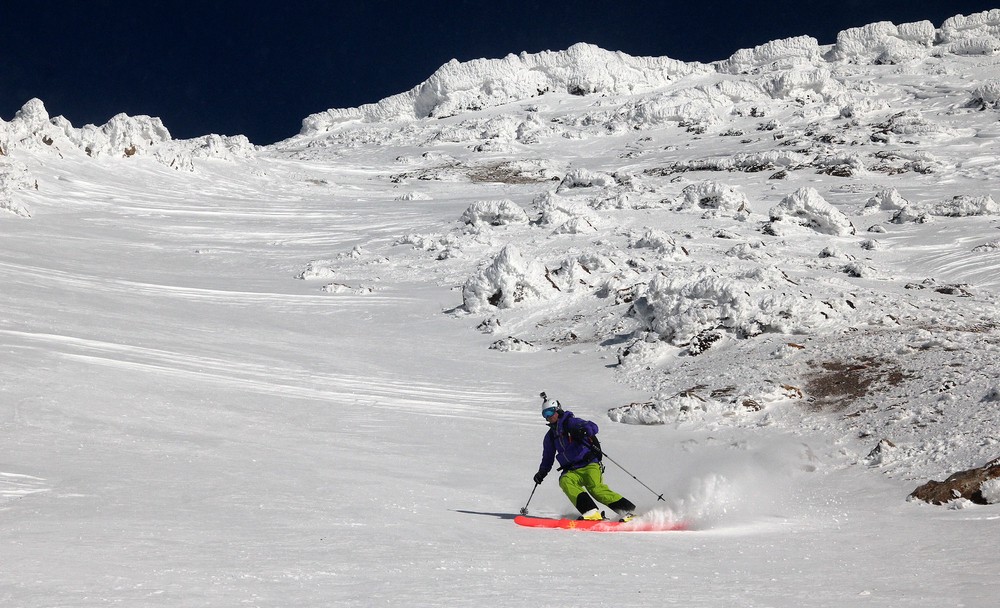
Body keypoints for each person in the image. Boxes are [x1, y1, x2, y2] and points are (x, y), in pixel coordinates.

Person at [532, 392, 637, 522]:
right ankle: (590, 511)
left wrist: (583, 430)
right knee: (565, 481)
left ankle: (629, 511)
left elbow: (593, 427)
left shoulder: (571, 422)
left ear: (558, 410)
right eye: (545, 414)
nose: (548, 417)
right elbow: (548, 457)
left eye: (550, 412)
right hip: (571, 470)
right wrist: (542, 472)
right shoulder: (550, 436)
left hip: (589, 464)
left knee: (596, 489)